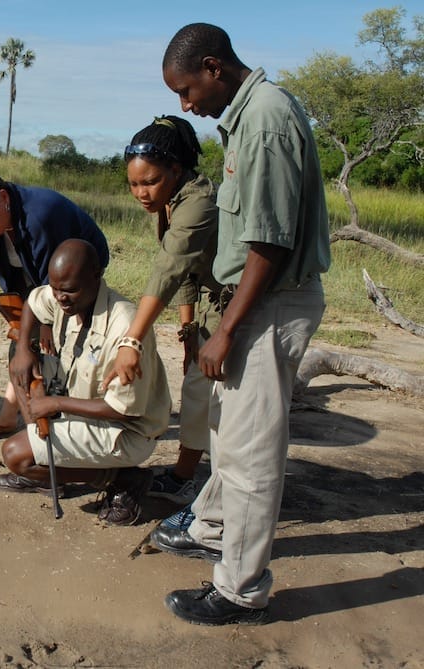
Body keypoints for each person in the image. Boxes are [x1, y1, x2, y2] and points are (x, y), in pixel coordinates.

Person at [151, 23, 331, 626]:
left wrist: (226, 328)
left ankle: (240, 590)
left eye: (187, 89)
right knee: (229, 436)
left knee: (253, 458)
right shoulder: (246, 117)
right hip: (249, 303)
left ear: (213, 66)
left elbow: (269, 243)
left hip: (266, 304)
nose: (186, 105)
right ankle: (214, 529)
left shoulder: (266, 121)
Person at [0, 239, 171, 526]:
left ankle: (122, 479)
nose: (60, 298)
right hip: (78, 406)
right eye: (56, 289)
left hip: (125, 431)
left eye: (69, 291)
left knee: (16, 455)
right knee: (20, 363)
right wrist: (25, 349)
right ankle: (48, 467)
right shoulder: (62, 294)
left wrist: (54, 403)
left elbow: (122, 410)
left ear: (96, 276)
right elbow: (33, 301)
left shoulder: (124, 326)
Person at [100, 115, 221, 508]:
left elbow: (170, 267)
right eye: (134, 183)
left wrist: (131, 339)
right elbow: (187, 273)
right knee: (197, 385)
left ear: (175, 168)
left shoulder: (199, 200)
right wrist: (188, 333)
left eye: (149, 181)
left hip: (235, 306)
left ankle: (192, 481)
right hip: (208, 306)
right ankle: (189, 476)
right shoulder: (173, 200)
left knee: (210, 396)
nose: (141, 192)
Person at [0, 167, 110, 440]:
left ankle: (68, 419)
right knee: (23, 347)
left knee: (63, 349)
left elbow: (55, 277)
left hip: (76, 280)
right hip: (30, 284)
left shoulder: (42, 214)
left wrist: (46, 322)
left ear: (3, 197)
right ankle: (14, 417)